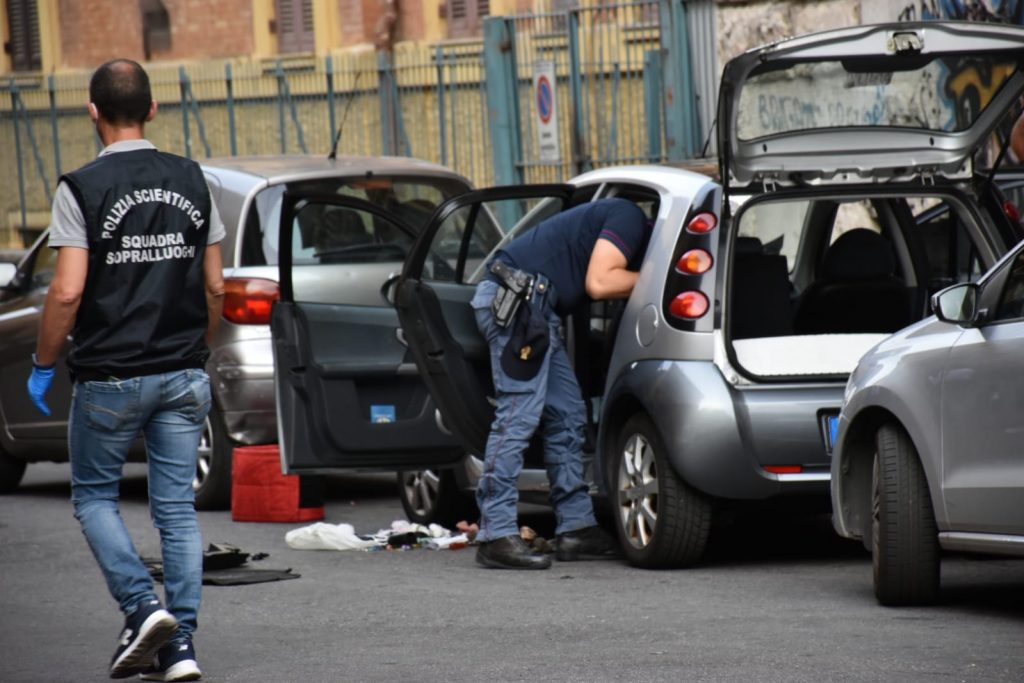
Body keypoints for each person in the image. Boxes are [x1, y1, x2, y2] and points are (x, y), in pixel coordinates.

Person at [27, 59, 225, 681]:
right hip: (183, 371)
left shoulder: (80, 188)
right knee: (175, 510)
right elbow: (216, 284)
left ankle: (142, 607)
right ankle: (181, 647)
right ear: (154, 109)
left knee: (93, 497)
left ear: (92, 111)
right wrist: (201, 345)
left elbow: (66, 293)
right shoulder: (193, 179)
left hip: (111, 374)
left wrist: (43, 363)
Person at [470, 197, 650, 569]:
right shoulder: (630, 215)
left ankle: (576, 528)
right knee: (517, 416)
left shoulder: (624, 227)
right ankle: (495, 533)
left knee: (567, 414)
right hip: (517, 305)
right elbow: (600, 282)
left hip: (532, 309)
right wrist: (666, 277)